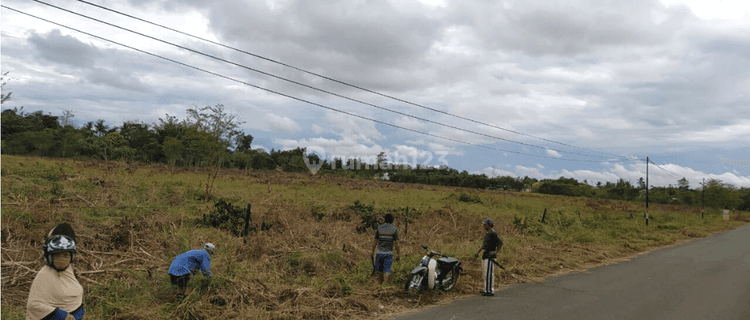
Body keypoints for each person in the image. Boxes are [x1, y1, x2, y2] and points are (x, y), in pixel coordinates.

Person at [27, 223, 86, 320]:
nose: (62, 259)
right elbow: (34, 305)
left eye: (65, 255)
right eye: (57, 255)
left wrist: (81, 312)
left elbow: (75, 295)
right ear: (50, 258)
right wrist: (62, 315)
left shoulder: (69, 271)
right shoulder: (44, 275)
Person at [474, 218, 503, 297]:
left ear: (489, 225)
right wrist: (478, 252)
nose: (483, 225)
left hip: (490, 257)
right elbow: (484, 245)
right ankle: (486, 289)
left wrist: (495, 252)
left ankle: (489, 290)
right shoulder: (487, 234)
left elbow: (500, 243)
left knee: (489, 274)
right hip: (485, 255)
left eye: (485, 224)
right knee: (485, 274)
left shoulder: (493, 233)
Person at [371, 213, 400, 284]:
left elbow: (375, 242)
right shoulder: (394, 230)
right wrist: (398, 254)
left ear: (384, 220)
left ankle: (378, 285)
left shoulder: (379, 228)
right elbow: (396, 243)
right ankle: (384, 286)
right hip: (389, 254)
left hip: (379, 253)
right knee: (387, 270)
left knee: (378, 270)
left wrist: (372, 252)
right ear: (392, 221)